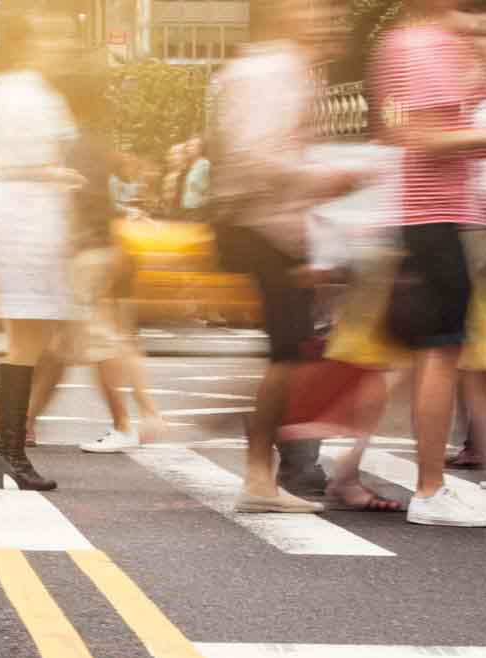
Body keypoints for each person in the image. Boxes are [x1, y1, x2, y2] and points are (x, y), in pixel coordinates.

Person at [210, 0, 362, 514]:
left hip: (277, 228)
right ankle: (258, 476)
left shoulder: (282, 68)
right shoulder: (272, 72)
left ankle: (263, 468)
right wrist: (325, 179)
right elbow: (254, 155)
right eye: (319, 10)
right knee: (288, 354)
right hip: (263, 228)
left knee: (291, 352)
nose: (331, 21)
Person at [371, 0, 486, 526]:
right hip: (433, 217)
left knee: (438, 353)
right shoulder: (422, 44)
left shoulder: (414, 41)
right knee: (440, 354)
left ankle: (432, 484)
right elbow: (426, 139)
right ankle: (429, 489)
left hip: (437, 216)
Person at [21, 66, 164, 455]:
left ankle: (123, 424)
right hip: (93, 250)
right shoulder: (94, 140)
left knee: (100, 343)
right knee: (59, 344)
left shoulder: (77, 144)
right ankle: (21, 424)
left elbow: (78, 199)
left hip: (84, 253)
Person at [0, 11, 83, 491]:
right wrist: (61, 176)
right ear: (29, 41)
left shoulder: (4, 89)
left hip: (17, 227)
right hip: (28, 230)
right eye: (53, 33)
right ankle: (10, 451)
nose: (62, 44)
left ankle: (10, 448)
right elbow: (28, 162)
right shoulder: (31, 94)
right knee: (28, 343)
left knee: (27, 342)